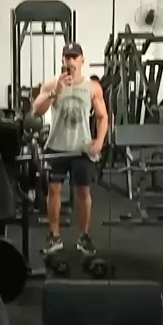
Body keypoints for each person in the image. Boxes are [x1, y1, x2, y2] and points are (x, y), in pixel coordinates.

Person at [33, 43, 108, 256]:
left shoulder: (92, 87)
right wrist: (55, 92)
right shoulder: (51, 84)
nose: (71, 61)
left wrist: (99, 141)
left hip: (82, 149)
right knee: (54, 190)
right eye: (67, 57)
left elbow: (103, 117)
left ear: (82, 60)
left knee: (83, 192)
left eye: (75, 57)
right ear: (62, 60)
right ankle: (54, 236)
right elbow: (36, 111)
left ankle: (84, 237)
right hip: (56, 146)